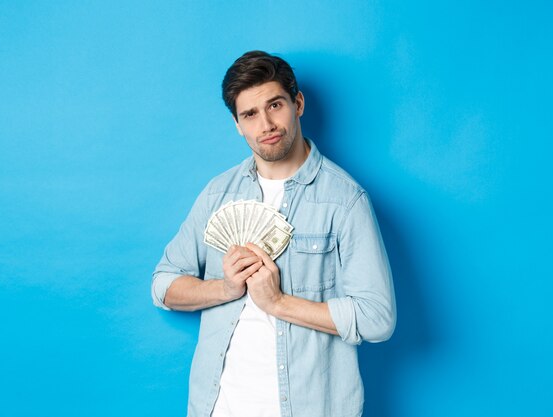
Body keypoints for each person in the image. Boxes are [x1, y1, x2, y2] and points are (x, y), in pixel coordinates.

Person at [151, 50, 396, 417]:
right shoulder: (219, 194)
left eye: (275, 105)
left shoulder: (344, 200)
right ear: (237, 124)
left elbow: (378, 318)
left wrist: (278, 303)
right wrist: (225, 288)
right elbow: (162, 286)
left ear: (297, 103)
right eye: (249, 114)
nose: (265, 124)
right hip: (217, 406)